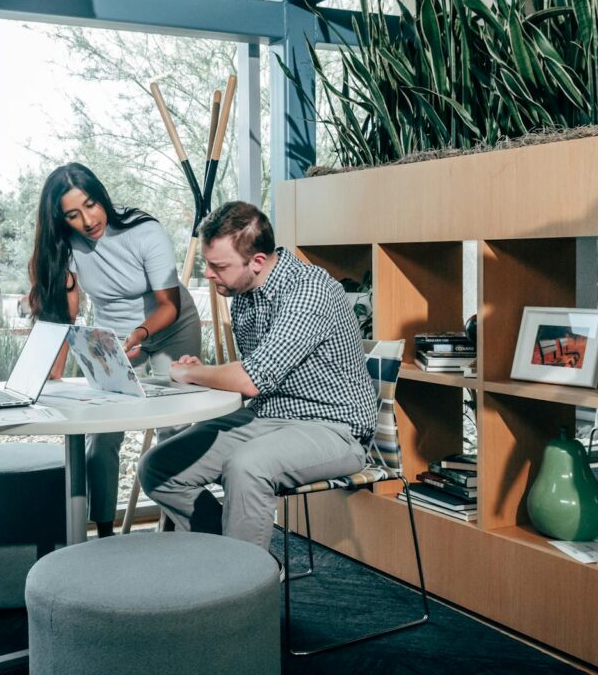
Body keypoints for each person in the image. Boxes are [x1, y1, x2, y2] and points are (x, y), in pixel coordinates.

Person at [138, 201, 376, 550]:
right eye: (207, 263)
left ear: (257, 261)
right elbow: (252, 375)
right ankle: (234, 560)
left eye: (219, 266)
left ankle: (242, 576)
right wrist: (201, 372)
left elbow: (251, 378)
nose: (209, 274)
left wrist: (194, 373)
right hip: (266, 416)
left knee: (247, 467)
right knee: (158, 467)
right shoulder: (244, 294)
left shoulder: (309, 291)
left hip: (333, 428)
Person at [28, 162, 201, 537]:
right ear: (61, 219)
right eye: (73, 214)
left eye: (91, 205)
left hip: (171, 325)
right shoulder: (67, 245)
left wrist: (140, 333)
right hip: (117, 335)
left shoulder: (144, 230)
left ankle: (174, 530)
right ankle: (103, 534)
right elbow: (65, 313)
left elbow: (169, 305)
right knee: (101, 433)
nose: (87, 220)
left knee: (173, 428)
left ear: (101, 196)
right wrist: (53, 370)